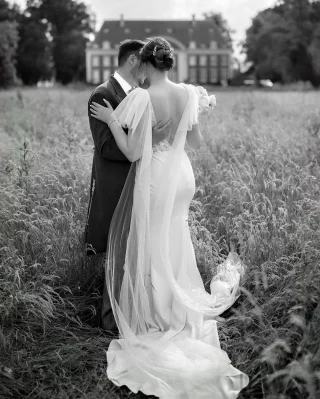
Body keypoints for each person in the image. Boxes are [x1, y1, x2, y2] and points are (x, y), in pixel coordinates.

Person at [90, 37, 249, 398]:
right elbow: (195, 143)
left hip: (157, 177)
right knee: (177, 235)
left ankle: (159, 311)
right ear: (170, 64)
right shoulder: (188, 94)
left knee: (153, 239)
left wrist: (112, 120)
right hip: (183, 177)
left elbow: (132, 153)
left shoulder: (143, 97)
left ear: (145, 65)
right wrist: (187, 118)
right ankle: (181, 305)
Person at [85, 39, 171, 331]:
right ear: (134, 60)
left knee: (134, 253)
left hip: (140, 184)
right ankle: (110, 323)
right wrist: (145, 143)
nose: (146, 68)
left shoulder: (141, 94)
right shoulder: (103, 94)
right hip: (116, 186)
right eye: (143, 61)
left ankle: (133, 313)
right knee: (116, 253)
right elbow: (107, 148)